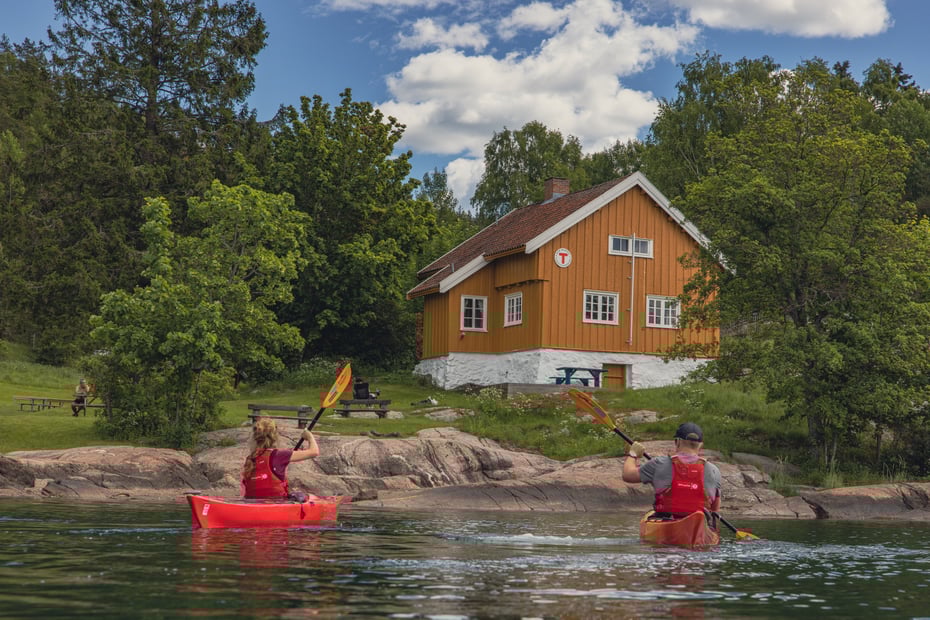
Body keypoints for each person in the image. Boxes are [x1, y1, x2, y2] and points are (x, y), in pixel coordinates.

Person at [621, 422, 721, 520]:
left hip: (666, 521)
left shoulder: (659, 463)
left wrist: (633, 454)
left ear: (677, 442)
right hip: (700, 525)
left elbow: (627, 475)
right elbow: (715, 508)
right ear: (700, 446)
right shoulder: (714, 471)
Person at [241, 417, 320, 500]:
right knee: (312, 498)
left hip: (252, 502)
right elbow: (314, 452)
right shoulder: (280, 455)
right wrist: (309, 437)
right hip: (277, 501)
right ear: (275, 436)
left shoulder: (251, 458)